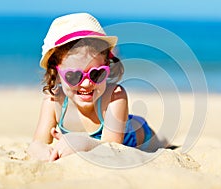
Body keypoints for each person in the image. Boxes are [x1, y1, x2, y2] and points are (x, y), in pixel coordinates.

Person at [27, 13, 165, 161]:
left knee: (163, 143)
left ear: (107, 66)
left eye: (96, 74)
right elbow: (37, 143)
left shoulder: (115, 97)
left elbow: (113, 147)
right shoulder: (53, 101)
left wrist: (80, 143)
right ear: (56, 72)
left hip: (139, 133)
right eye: (74, 76)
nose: (87, 84)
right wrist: (41, 152)